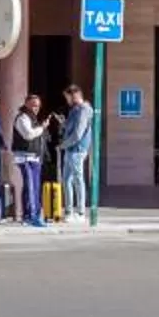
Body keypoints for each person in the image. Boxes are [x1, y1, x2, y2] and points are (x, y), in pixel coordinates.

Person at [12, 93, 49, 226]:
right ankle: (32, 216)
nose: (36, 108)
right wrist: (42, 128)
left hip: (34, 157)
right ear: (26, 104)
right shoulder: (22, 118)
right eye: (33, 105)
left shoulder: (33, 118)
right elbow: (28, 135)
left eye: (38, 106)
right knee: (31, 185)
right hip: (25, 157)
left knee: (34, 186)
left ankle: (32, 214)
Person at [59, 84, 95, 220]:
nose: (67, 100)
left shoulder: (84, 110)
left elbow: (78, 134)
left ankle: (80, 211)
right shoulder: (74, 110)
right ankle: (69, 210)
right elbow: (72, 128)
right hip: (70, 149)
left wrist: (63, 145)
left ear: (74, 96)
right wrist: (64, 124)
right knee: (67, 179)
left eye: (67, 97)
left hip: (77, 149)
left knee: (77, 179)